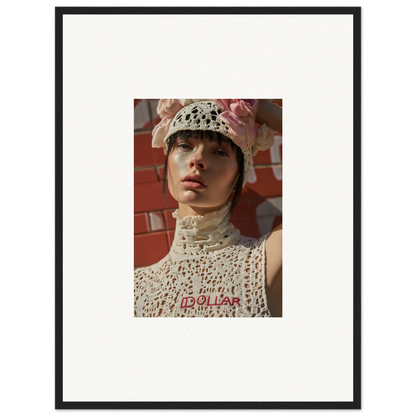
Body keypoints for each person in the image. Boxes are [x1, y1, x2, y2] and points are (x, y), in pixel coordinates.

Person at [134, 99, 282, 317]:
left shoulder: (266, 261)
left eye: (220, 151)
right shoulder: (137, 288)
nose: (197, 159)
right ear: (168, 163)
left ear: (238, 176)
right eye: (185, 146)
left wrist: (255, 105)